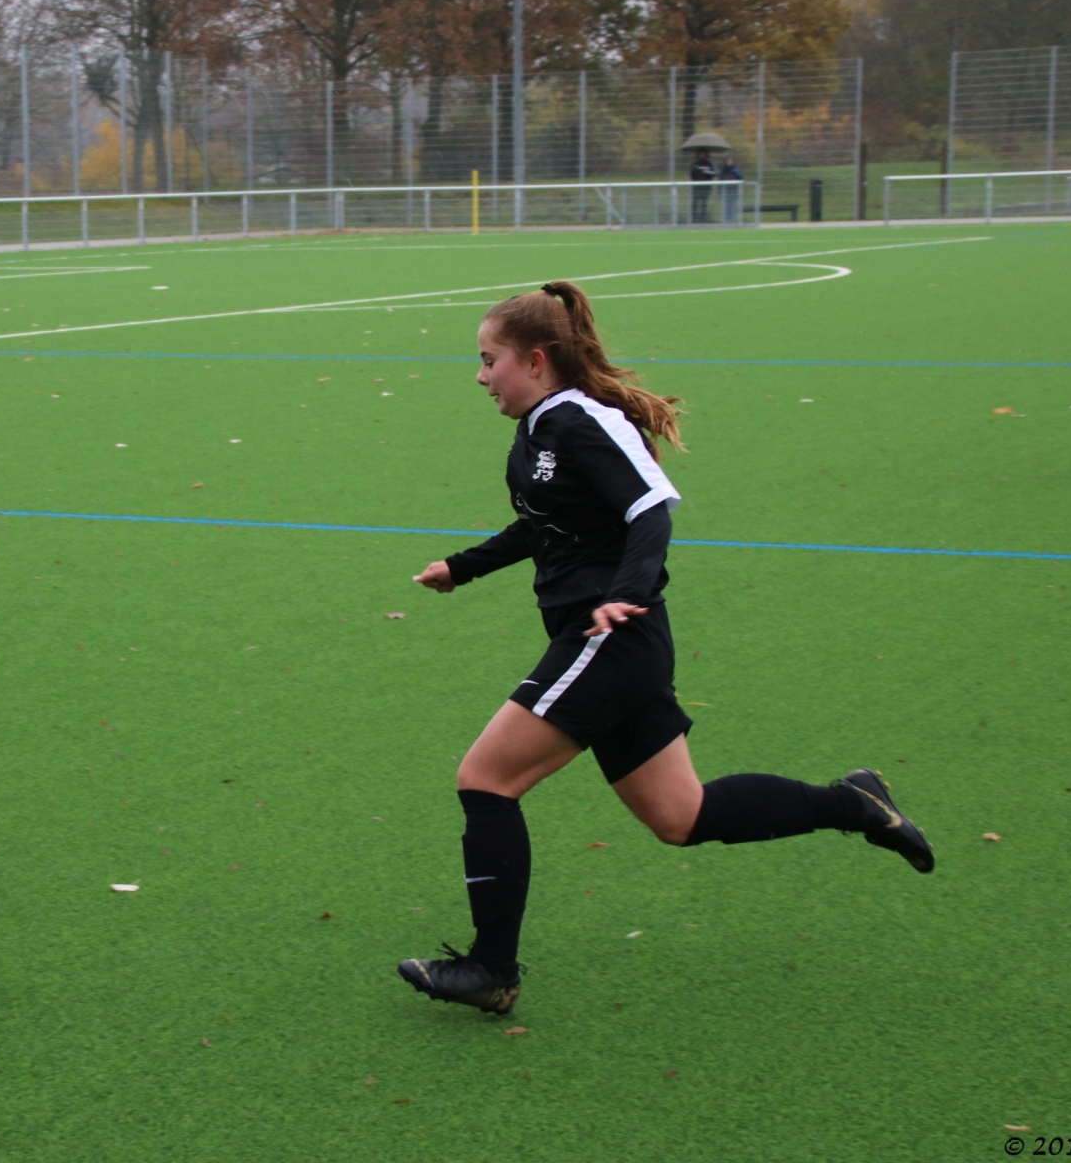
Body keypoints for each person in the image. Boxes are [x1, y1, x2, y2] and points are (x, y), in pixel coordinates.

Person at [395, 282, 935, 1018]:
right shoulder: (538, 431)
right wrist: (463, 567)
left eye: (489, 360)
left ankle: (492, 968)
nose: (482, 375)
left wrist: (631, 589)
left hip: (610, 637)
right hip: (612, 644)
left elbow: (652, 502)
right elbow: (544, 527)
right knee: (680, 815)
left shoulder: (581, 418)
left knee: (486, 780)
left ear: (535, 359)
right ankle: (855, 802)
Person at [688, 147, 716, 224]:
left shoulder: (709, 164)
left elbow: (713, 174)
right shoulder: (695, 164)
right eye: (700, 154)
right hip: (696, 187)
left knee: (704, 204)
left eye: (703, 154)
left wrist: (707, 172)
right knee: (694, 204)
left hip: (706, 187)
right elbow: (691, 174)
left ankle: (703, 220)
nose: (702, 155)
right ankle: (693, 220)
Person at [718, 155, 745, 225]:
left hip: (733, 190)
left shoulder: (735, 169)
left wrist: (735, 173)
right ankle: (726, 220)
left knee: (733, 205)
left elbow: (741, 176)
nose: (729, 162)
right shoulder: (724, 170)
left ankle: (733, 220)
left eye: (730, 161)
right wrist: (719, 190)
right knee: (726, 205)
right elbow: (721, 180)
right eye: (728, 161)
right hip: (726, 190)